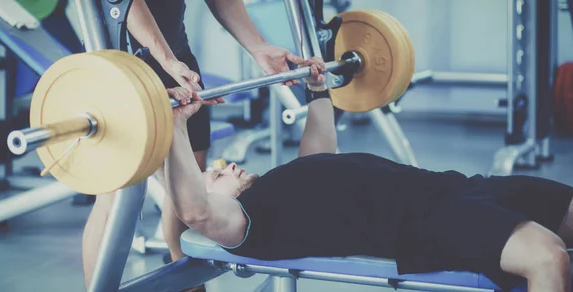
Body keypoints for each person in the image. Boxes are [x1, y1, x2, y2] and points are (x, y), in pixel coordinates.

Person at [165, 56, 573, 292]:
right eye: (217, 176)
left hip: (457, 186)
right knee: (547, 258)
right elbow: (194, 211)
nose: (230, 165)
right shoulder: (246, 224)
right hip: (428, 222)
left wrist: (318, 88)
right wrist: (176, 125)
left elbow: (320, 150)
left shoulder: (280, 187)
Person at [81, 0, 301, 288]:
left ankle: (190, 286)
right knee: (119, 194)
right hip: (121, 62)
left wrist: (257, 46)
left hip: (175, 54)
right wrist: (167, 60)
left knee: (190, 185)